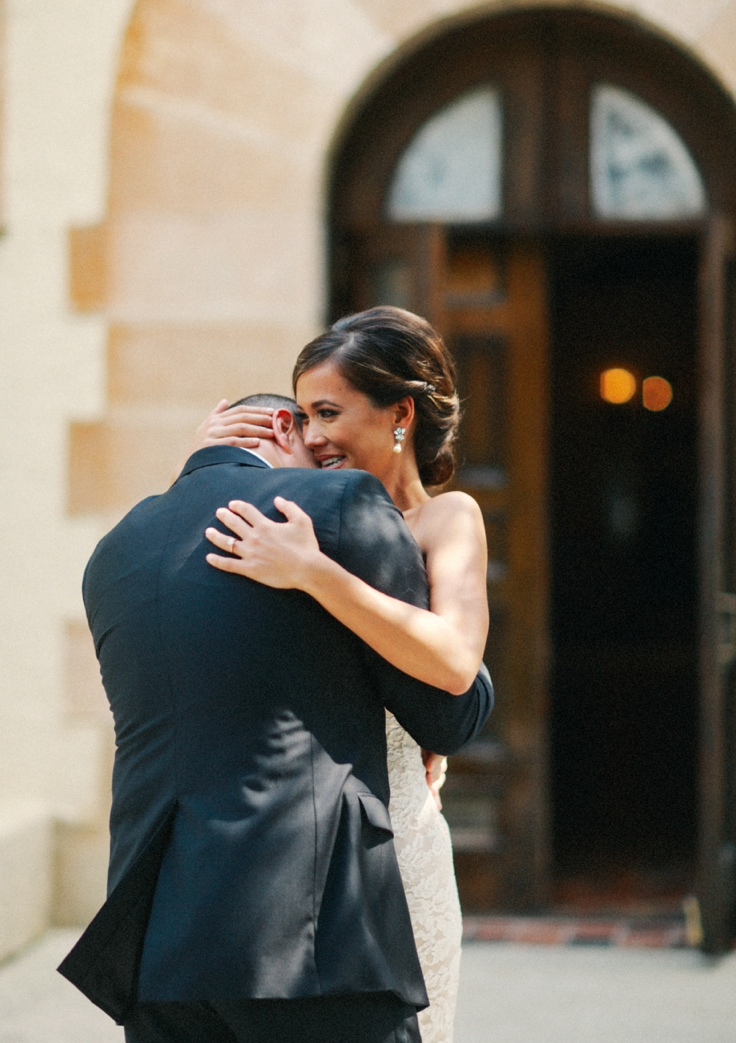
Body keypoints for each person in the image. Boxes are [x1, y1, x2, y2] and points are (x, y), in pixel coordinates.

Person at [58, 391, 493, 1043]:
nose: (322, 457)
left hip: (156, 944)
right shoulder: (333, 507)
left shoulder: (115, 551)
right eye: (311, 432)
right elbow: (448, 717)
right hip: (306, 938)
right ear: (283, 425)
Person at [198, 306, 490, 1043]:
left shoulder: (447, 520)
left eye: (328, 411)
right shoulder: (290, 518)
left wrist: (313, 572)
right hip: (287, 847)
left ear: (401, 413)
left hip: (397, 840)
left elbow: (455, 662)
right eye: (301, 416)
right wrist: (208, 467)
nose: (313, 434)